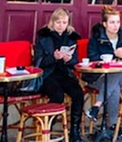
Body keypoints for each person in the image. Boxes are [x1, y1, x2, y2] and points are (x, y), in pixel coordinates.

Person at [33, 8, 85, 142]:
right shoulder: (44, 37)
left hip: (64, 73)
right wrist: (53, 57)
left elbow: (75, 62)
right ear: (52, 22)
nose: (61, 25)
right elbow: (38, 63)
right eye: (58, 22)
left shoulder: (71, 37)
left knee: (78, 93)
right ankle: (47, 127)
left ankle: (74, 131)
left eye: (64, 22)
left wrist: (69, 60)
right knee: (57, 95)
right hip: (47, 75)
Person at [85, 6, 122, 130]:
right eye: (112, 22)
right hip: (98, 77)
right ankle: (112, 125)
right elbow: (93, 59)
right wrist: (114, 55)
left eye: (117, 22)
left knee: (115, 73)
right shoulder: (96, 39)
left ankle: (96, 106)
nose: (115, 26)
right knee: (114, 86)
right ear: (104, 24)